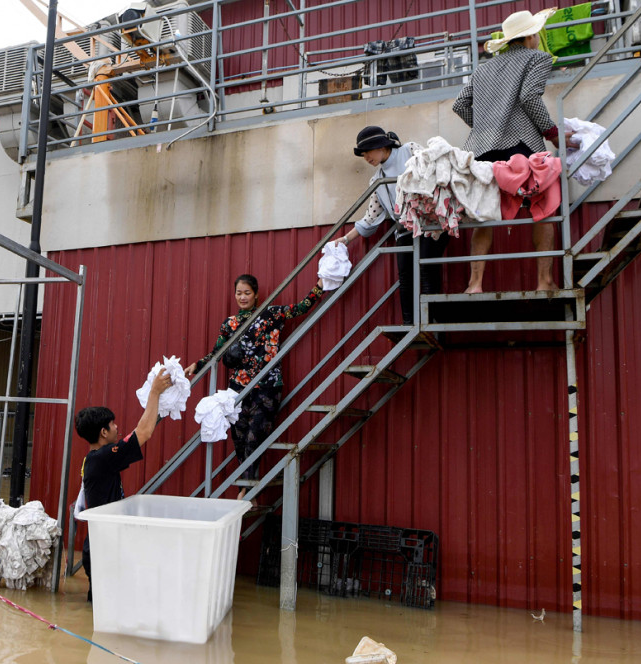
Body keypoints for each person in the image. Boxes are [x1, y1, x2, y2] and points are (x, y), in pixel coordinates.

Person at [452, 8, 577, 293]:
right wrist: (553, 133)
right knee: (543, 207)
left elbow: (460, 105)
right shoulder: (538, 58)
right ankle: (544, 281)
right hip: (522, 147)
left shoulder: (484, 68)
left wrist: (485, 127)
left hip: (482, 150)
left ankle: (474, 284)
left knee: (485, 214)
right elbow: (529, 97)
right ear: (531, 36)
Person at [185, 274, 323, 494]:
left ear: (256, 295)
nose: (243, 297)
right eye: (239, 293)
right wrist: (197, 365)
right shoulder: (230, 324)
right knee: (239, 440)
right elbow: (216, 353)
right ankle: (249, 490)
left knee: (254, 438)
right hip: (237, 391)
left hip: (267, 387)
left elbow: (300, 308)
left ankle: (246, 491)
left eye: (247, 293)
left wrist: (319, 286)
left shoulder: (271, 314)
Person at [334, 125, 450, 325]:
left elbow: (435, 170)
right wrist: (345, 239)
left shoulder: (410, 150)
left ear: (381, 146)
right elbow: (370, 218)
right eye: (363, 154)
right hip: (405, 229)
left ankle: (433, 322)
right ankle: (410, 324)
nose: (366, 158)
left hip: (431, 223)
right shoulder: (377, 180)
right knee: (405, 275)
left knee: (426, 266)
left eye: (367, 151)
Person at [76, 369, 173, 602]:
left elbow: (139, 433)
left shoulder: (96, 458)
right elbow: (143, 432)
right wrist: (154, 392)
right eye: (113, 424)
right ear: (103, 432)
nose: (117, 427)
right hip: (103, 550)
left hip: (101, 546)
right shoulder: (103, 457)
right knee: (108, 606)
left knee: (103, 606)